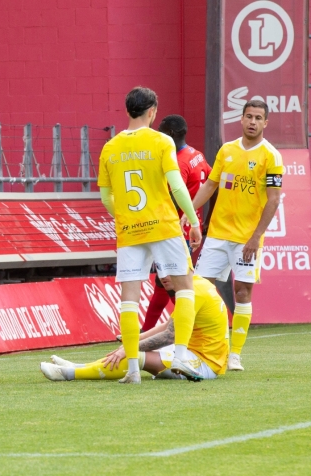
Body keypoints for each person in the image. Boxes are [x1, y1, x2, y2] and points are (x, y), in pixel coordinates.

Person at [97, 86, 202, 384]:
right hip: (164, 225)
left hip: (130, 230)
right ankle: (180, 358)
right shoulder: (161, 141)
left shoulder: (110, 147)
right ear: (152, 111)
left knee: (129, 300)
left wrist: (124, 218)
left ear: (128, 110)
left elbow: (106, 196)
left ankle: (132, 370)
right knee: (184, 290)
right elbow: (177, 187)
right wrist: (193, 221)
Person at [182, 99, 283, 371]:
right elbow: (211, 185)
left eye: (258, 118)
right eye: (248, 116)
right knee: (198, 289)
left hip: (246, 239)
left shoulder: (271, 156)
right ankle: (192, 346)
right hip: (217, 235)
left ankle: (235, 354)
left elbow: (273, 200)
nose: (252, 122)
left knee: (242, 292)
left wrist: (255, 237)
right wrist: (190, 213)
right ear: (241, 119)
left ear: (265, 123)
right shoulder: (226, 150)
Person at [40, 275, 229, 382]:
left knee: (134, 356)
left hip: (204, 363)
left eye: (168, 270)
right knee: (128, 350)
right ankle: (79, 366)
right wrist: (132, 341)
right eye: (160, 269)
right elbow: (169, 326)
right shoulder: (196, 284)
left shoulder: (194, 292)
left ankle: (68, 374)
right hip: (193, 351)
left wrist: (131, 348)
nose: (163, 276)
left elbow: (169, 336)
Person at [141, 115, 212, 332]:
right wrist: (205, 221)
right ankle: (146, 332)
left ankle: (190, 328)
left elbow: (171, 199)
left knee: (174, 284)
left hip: (175, 231)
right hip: (190, 228)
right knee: (164, 285)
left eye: (161, 132)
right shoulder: (197, 155)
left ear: (170, 135)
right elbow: (212, 184)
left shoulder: (178, 163)